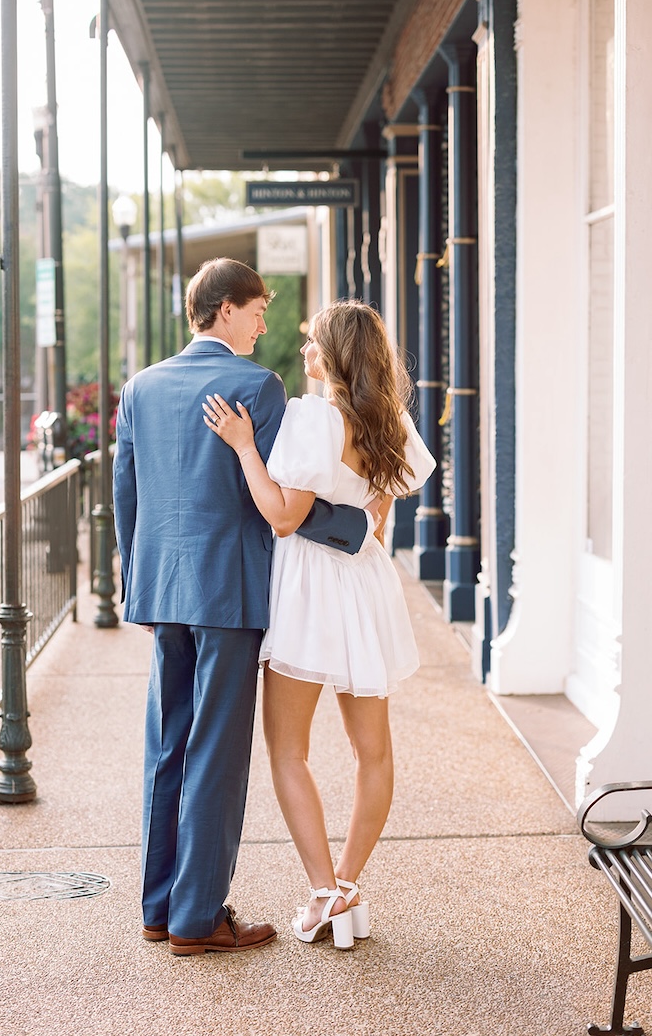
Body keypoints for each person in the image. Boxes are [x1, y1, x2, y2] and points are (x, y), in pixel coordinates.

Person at [113, 259, 371, 956]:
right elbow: (279, 499)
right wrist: (357, 528)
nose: (265, 322)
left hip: (162, 592)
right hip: (229, 593)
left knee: (167, 748)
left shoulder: (141, 387)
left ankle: (158, 908)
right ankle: (197, 920)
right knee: (217, 759)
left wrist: (134, 582)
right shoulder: (257, 386)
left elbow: (126, 494)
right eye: (258, 308)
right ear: (224, 309)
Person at [202, 298, 436, 950]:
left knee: (289, 750)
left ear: (333, 354)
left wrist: (246, 448)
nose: (303, 350)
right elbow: (375, 520)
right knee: (374, 752)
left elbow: (281, 515)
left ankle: (323, 891)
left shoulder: (312, 418)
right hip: (364, 589)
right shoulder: (385, 421)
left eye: (312, 341)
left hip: (307, 590)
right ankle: (349, 884)